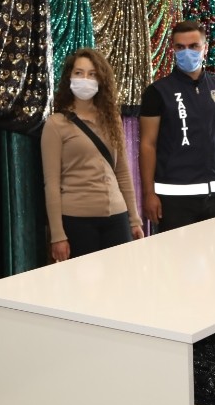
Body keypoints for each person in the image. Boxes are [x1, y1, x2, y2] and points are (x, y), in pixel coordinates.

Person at [139, 20, 215, 232]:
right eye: (180, 47)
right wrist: (149, 193)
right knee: (176, 254)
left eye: (193, 46)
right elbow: (147, 145)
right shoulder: (157, 91)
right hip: (174, 199)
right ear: (173, 49)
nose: (187, 52)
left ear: (205, 48)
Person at [40, 49, 144, 261]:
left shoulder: (112, 119)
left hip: (117, 218)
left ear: (101, 80)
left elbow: (123, 173)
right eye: (79, 73)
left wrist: (134, 219)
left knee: (120, 278)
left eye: (92, 74)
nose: (85, 79)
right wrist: (57, 235)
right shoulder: (56, 124)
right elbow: (51, 184)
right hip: (77, 220)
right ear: (69, 77)